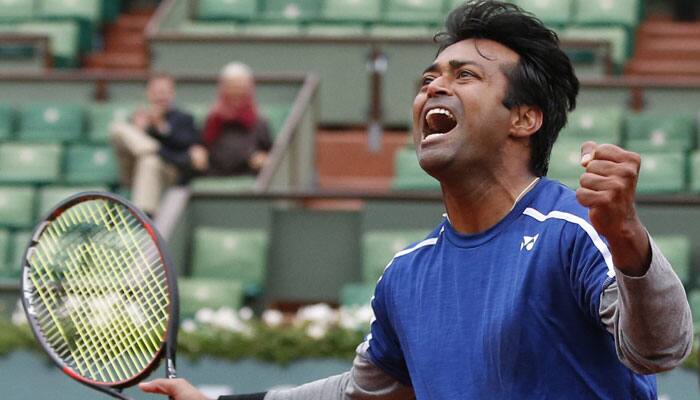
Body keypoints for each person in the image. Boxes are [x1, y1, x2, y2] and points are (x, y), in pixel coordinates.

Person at [140, 2, 693, 399]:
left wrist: (628, 240)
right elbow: (361, 392)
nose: (433, 87)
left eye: (465, 75)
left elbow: (660, 349)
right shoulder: (405, 275)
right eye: (428, 78)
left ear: (524, 118)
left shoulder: (572, 229)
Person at [110, 73, 199, 216]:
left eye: (164, 92)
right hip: (131, 172)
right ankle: (149, 149)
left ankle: (143, 217)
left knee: (149, 161)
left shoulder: (184, 119)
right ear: (148, 94)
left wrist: (161, 128)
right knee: (117, 127)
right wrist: (139, 130)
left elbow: (186, 157)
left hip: (167, 174)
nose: (160, 97)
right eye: (156, 92)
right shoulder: (138, 118)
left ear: (172, 94)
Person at [189, 62, 273, 178]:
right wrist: (198, 152)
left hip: (249, 175)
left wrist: (263, 159)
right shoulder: (212, 119)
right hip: (214, 173)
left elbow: (272, 154)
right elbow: (201, 145)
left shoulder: (259, 122)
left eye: (241, 88)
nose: (236, 92)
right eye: (231, 87)